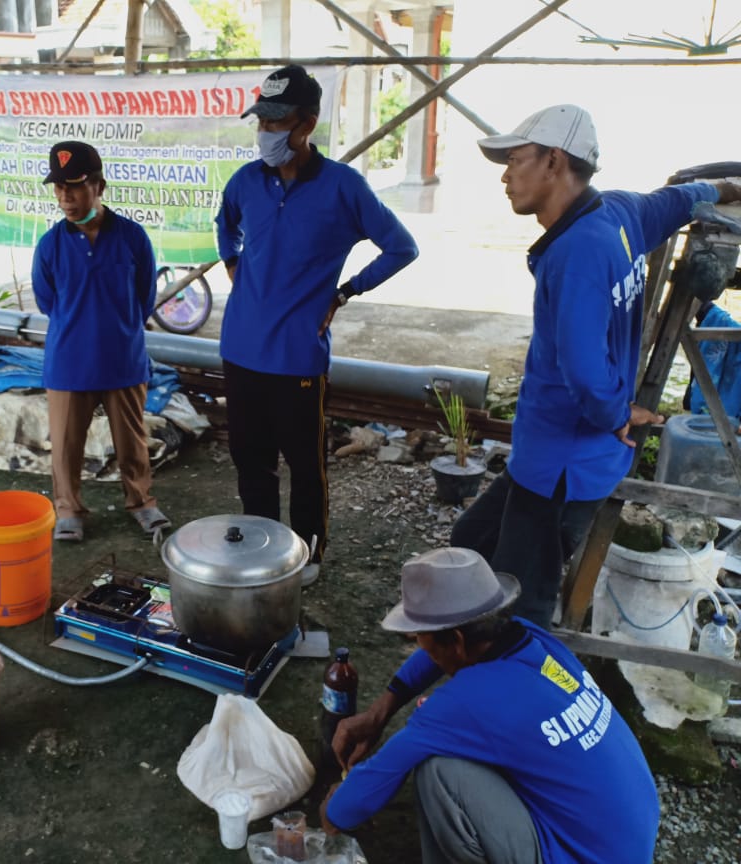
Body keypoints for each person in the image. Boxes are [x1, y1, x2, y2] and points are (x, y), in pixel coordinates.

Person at [450, 104, 741, 627]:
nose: (505, 176)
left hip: (560, 466)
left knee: (520, 609)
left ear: (554, 161)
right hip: (554, 455)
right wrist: (725, 188)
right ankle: (463, 650)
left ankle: (522, 676)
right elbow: (680, 199)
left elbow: (584, 371)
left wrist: (615, 413)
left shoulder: (576, 253)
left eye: (514, 160)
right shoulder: (619, 212)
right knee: (470, 541)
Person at [322, 547, 659, 863]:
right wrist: (380, 711)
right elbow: (440, 652)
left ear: (455, 641)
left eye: (421, 639)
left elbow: (365, 792)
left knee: (438, 772)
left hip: (581, 855)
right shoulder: (531, 639)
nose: (421, 648)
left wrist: (334, 808)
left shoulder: (465, 702)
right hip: (622, 838)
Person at [215, 64, 419, 586]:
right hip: (239, 350)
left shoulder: (343, 188)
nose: (265, 132)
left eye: (276, 122)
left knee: (306, 465)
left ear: (307, 124)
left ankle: (308, 553)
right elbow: (225, 222)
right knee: (251, 461)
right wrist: (232, 261)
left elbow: (402, 248)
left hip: (298, 357)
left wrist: (346, 291)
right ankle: (262, 547)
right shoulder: (246, 182)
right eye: (261, 121)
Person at [31, 140, 170, 543]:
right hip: (68, 362)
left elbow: (144, 296)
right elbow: (47, 301)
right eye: (59, 188)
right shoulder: (50, 246)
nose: (65, 198)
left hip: (123, 360)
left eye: (74, 187)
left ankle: (141, 502)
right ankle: (69, 510)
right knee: (66, 446)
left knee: (132, 442)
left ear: (99, 186)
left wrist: (118, 328)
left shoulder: (131, 237)